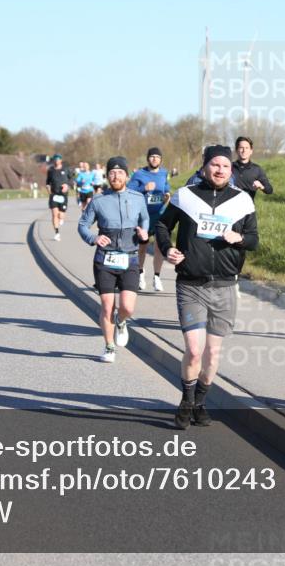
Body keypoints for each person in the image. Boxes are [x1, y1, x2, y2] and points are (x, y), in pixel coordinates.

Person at [157, 145, 258, 429]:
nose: (220, 170)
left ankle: (201, 401)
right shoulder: (185, 196)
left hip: (225, 286)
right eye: (215, 165)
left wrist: (238, 238)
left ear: (231, 170)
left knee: (212, 353)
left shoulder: (242, 201)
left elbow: (254, 240)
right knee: (193, 349)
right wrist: (168, 250)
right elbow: (162, 226)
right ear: (204, 167)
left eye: (225, 166)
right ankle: (186, 400)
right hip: (191, 284)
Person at [78, 156, 150, 363]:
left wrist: (144, 231)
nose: (116, 176)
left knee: (127, 307)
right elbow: (83, 225)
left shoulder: (137, 197)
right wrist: (93, 238)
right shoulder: (98, 200)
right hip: (105, 259)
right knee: (107, 306)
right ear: (107, 176)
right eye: (111, 173)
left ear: (127, 175)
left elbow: (145, 218)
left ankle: (121, 321)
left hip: (130, 258)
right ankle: (109, 347)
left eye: (120, 172)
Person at [128, 147, 172, 291]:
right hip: (143, 216)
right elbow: (128, 192)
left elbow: (166, 188)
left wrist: (167, 195)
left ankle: (157, 277)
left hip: (159, 215)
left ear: (161, 159)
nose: (154, 159)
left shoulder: (164, 173)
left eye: (157, 157)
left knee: (159, 247)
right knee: (143, 247)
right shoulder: (139, 174)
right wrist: (144, 188)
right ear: (148, 158)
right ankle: (140, 274)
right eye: (152, 156)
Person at [46, 154, 71, 241]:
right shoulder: (51, 170)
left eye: (58, 159)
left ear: (61, 160)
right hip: (54, 195)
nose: (56, 161)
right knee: (54, 214)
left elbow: (71, 180)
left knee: (61, 215)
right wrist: (49, 191)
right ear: (53, 161)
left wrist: (67, 185)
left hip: (63, 196)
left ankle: (61, 218)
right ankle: (57, 233)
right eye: (55, 159)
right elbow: (48, 183)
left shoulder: (66, 169)